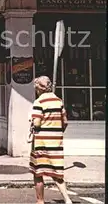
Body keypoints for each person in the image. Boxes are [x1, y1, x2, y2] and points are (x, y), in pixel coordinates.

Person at [30, 76, 72, 204]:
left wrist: (32, 123)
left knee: (38, 173)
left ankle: (40, 201)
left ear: (39, 89)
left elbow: (37, 123)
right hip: (56, 143)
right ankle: (67, 199)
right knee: (57, 173)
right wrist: (58, 132)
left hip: (41, 143)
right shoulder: (59, 101)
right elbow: (65, 122)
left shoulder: (39, 102)